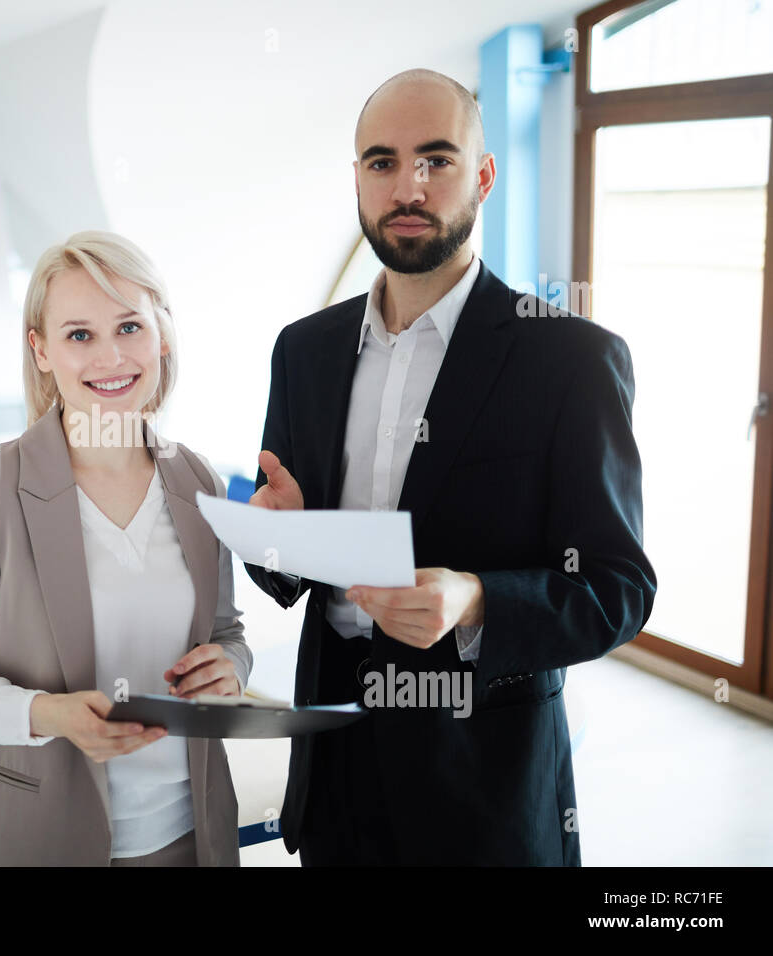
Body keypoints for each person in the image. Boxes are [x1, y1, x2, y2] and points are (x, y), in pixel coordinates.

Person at [245, 69, 656, 865]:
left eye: (437, 160)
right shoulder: (304, 349)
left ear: (484, 175)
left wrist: (476, 601)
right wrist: (277, 543)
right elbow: (287, 565)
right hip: (334, 773)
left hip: (484, 791)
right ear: (357, 179)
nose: (409, 187)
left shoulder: (572, 360)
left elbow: (619, 590)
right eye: (383, 163)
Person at [0, 232, 250, 866]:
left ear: (162, 334)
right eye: (79, 335)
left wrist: (232, 668)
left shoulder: (198, 481)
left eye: (129, 326)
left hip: (189, 831)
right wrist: (44, 714)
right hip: (36, 837)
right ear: (41, 349)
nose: (111, 357)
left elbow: (226, 634)